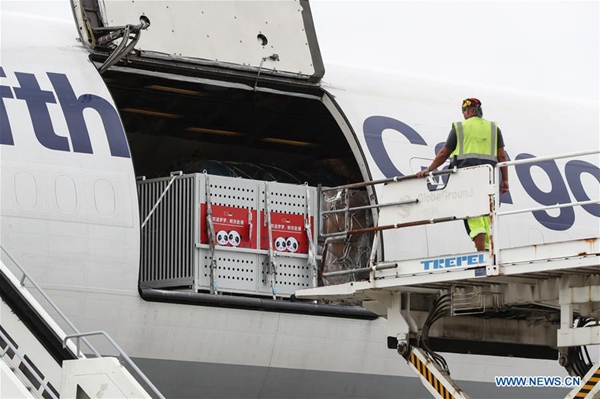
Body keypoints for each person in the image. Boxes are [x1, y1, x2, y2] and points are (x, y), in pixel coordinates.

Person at [416, 98, 509, 251]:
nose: (464, 114)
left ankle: (481, 253)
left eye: (464, 111)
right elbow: (502, 156)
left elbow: (445, 152)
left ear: (468, 111)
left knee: (473, 216)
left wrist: (429, 169)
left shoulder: (460, 127)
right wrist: (505, 180)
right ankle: (490, 250)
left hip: (467, 177)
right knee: (487, 213)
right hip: (488, 177)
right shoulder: (493, 128)